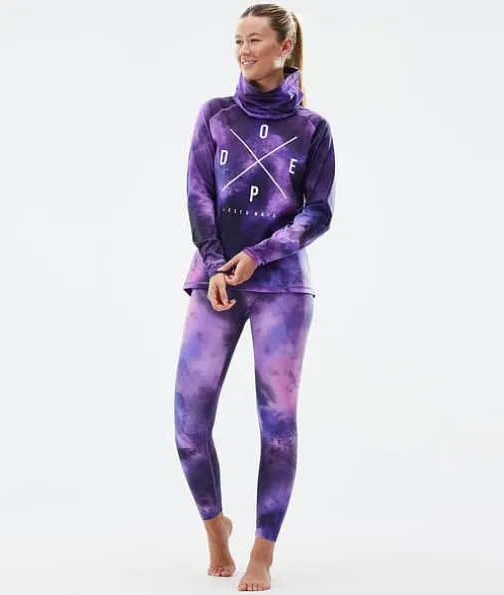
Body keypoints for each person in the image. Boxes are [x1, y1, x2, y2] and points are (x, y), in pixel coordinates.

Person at [174, 3, 336, 591]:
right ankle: (215, 524)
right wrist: (218, 263)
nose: (244, 50)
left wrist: (258, 255)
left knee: (278, 425)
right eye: (238, 40)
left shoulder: (313, 129)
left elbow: (318, 212)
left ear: (284, 48)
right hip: (214, 281)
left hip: (282, 288)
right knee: (189, 425)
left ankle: (263, 550)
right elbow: (198, 196)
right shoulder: (215, 116)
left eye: (255, 40)